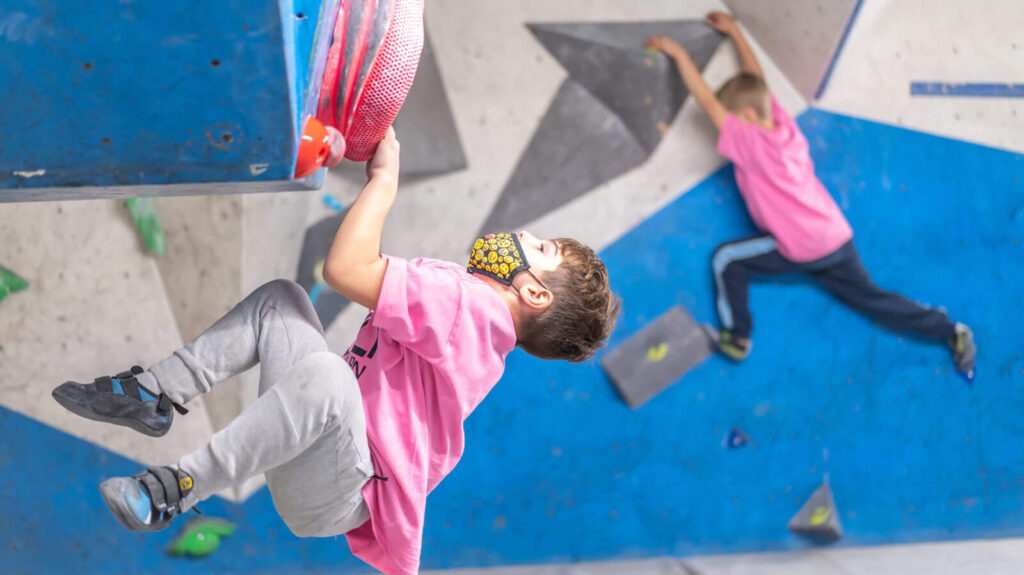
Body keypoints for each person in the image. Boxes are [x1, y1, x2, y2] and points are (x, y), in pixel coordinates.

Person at [52, 127, 621, 574]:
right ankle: (156, 392)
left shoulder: (470, 310)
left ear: (534, 292)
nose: (524, 235)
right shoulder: (475, 326)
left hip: (336, 486)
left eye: (540, 248)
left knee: (326, 374)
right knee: (283, 302)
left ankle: (176, 487)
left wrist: (384, 184)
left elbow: (346, 269)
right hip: (318, 446)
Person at [645, 12, 976, 380]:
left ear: (748, 117)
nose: (729, 124)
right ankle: (950, 331)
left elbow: (708, 102)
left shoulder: (751, 142)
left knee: (726, 261)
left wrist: (676, 53)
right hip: (836, 238)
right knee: (874, 299)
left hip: (799, 247)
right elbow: (760, 84)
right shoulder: (786, 129)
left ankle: (738, 337)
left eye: (735, 118)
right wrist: (737, 33)